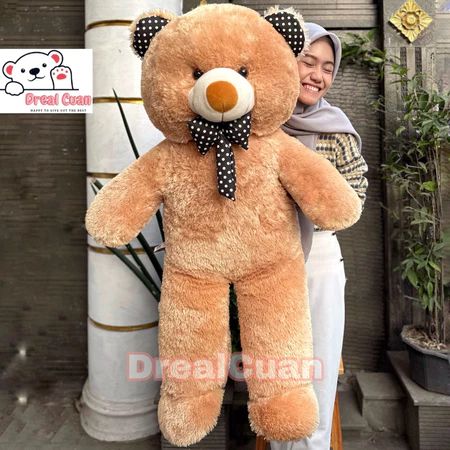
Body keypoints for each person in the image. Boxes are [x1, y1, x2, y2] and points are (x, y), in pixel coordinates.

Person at [270, 23, 368, 450]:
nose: (317, 75)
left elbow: (356, 193)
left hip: (319, 261)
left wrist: (313, 200)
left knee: (317, 369)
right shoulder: (259, 123)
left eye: (327, 68)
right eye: (307, 62)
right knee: (277, 375)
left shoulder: (336, 130)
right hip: (268, 263)